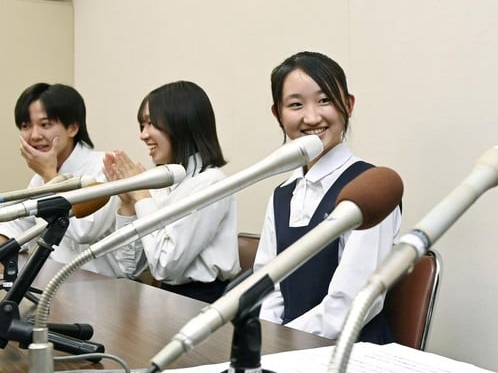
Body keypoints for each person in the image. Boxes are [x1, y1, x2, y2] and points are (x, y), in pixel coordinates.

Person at [253, 51, 401, 342]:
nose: (312, 117)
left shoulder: (370, 190)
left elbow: (350, 304)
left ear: (348, 104)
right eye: (296, 104)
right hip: (287, 354)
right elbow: (267, 287)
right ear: (277, 114)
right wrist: (266, 340)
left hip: (350, 357)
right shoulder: (283, 194)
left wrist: (283, 343)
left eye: (325, 100)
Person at [102, 81, 239, 303]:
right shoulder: (162, 182)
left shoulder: (211, 183)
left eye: (150, 124)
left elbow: (165, 266)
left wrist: (142, 197)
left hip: (203, 302)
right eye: (142, 125)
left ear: (182, 123)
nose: (143, 135)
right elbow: (130, 267)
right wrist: (127, 204)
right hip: (163, 299)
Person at [0, 83, 125, 277]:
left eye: (45, 125)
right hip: (58, 285)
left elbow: (84, 231)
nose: (34, 135)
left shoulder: (104, 166)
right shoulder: (40, 177)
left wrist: (50, 175)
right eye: (25, 126)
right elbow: (18, 226)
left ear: (73, 127)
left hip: (104, 287)